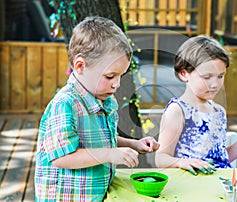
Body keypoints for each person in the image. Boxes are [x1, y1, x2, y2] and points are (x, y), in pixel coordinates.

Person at [34, 16, 160, 201]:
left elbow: (100, 139)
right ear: (80, 66)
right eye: (110, 76)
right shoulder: (65, 104)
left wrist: (133, 144)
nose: (116, 84)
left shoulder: (101, 99)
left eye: (120, 76)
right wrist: (110, 154)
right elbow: (62, 158)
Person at [155, 35, 237, 175]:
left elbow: (220, 158)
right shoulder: (178, 110)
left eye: (220, 76)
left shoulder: (218, 111)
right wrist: (182, 162)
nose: (215, 84)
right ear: (184, 74)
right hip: (191, 187)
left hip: (220, 184)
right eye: (207, 77)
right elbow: (161, 158)